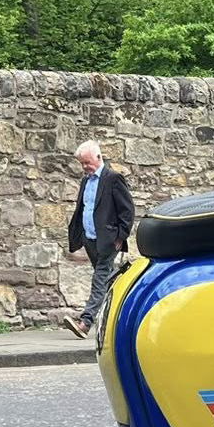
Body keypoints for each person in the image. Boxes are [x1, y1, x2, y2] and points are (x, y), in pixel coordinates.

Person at [64, 140, 134, 340]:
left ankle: (85, 322)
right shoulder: (86, 181)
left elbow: (127, 210)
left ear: (98, 157)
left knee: (100, 277)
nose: (85, 167)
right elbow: (84, 207)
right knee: (110, 279)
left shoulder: (113, 178)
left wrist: (121, 236)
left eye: (87, 162)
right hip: (90, 238)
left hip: (109, 239)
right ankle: (125, 305)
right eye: (82, 164)